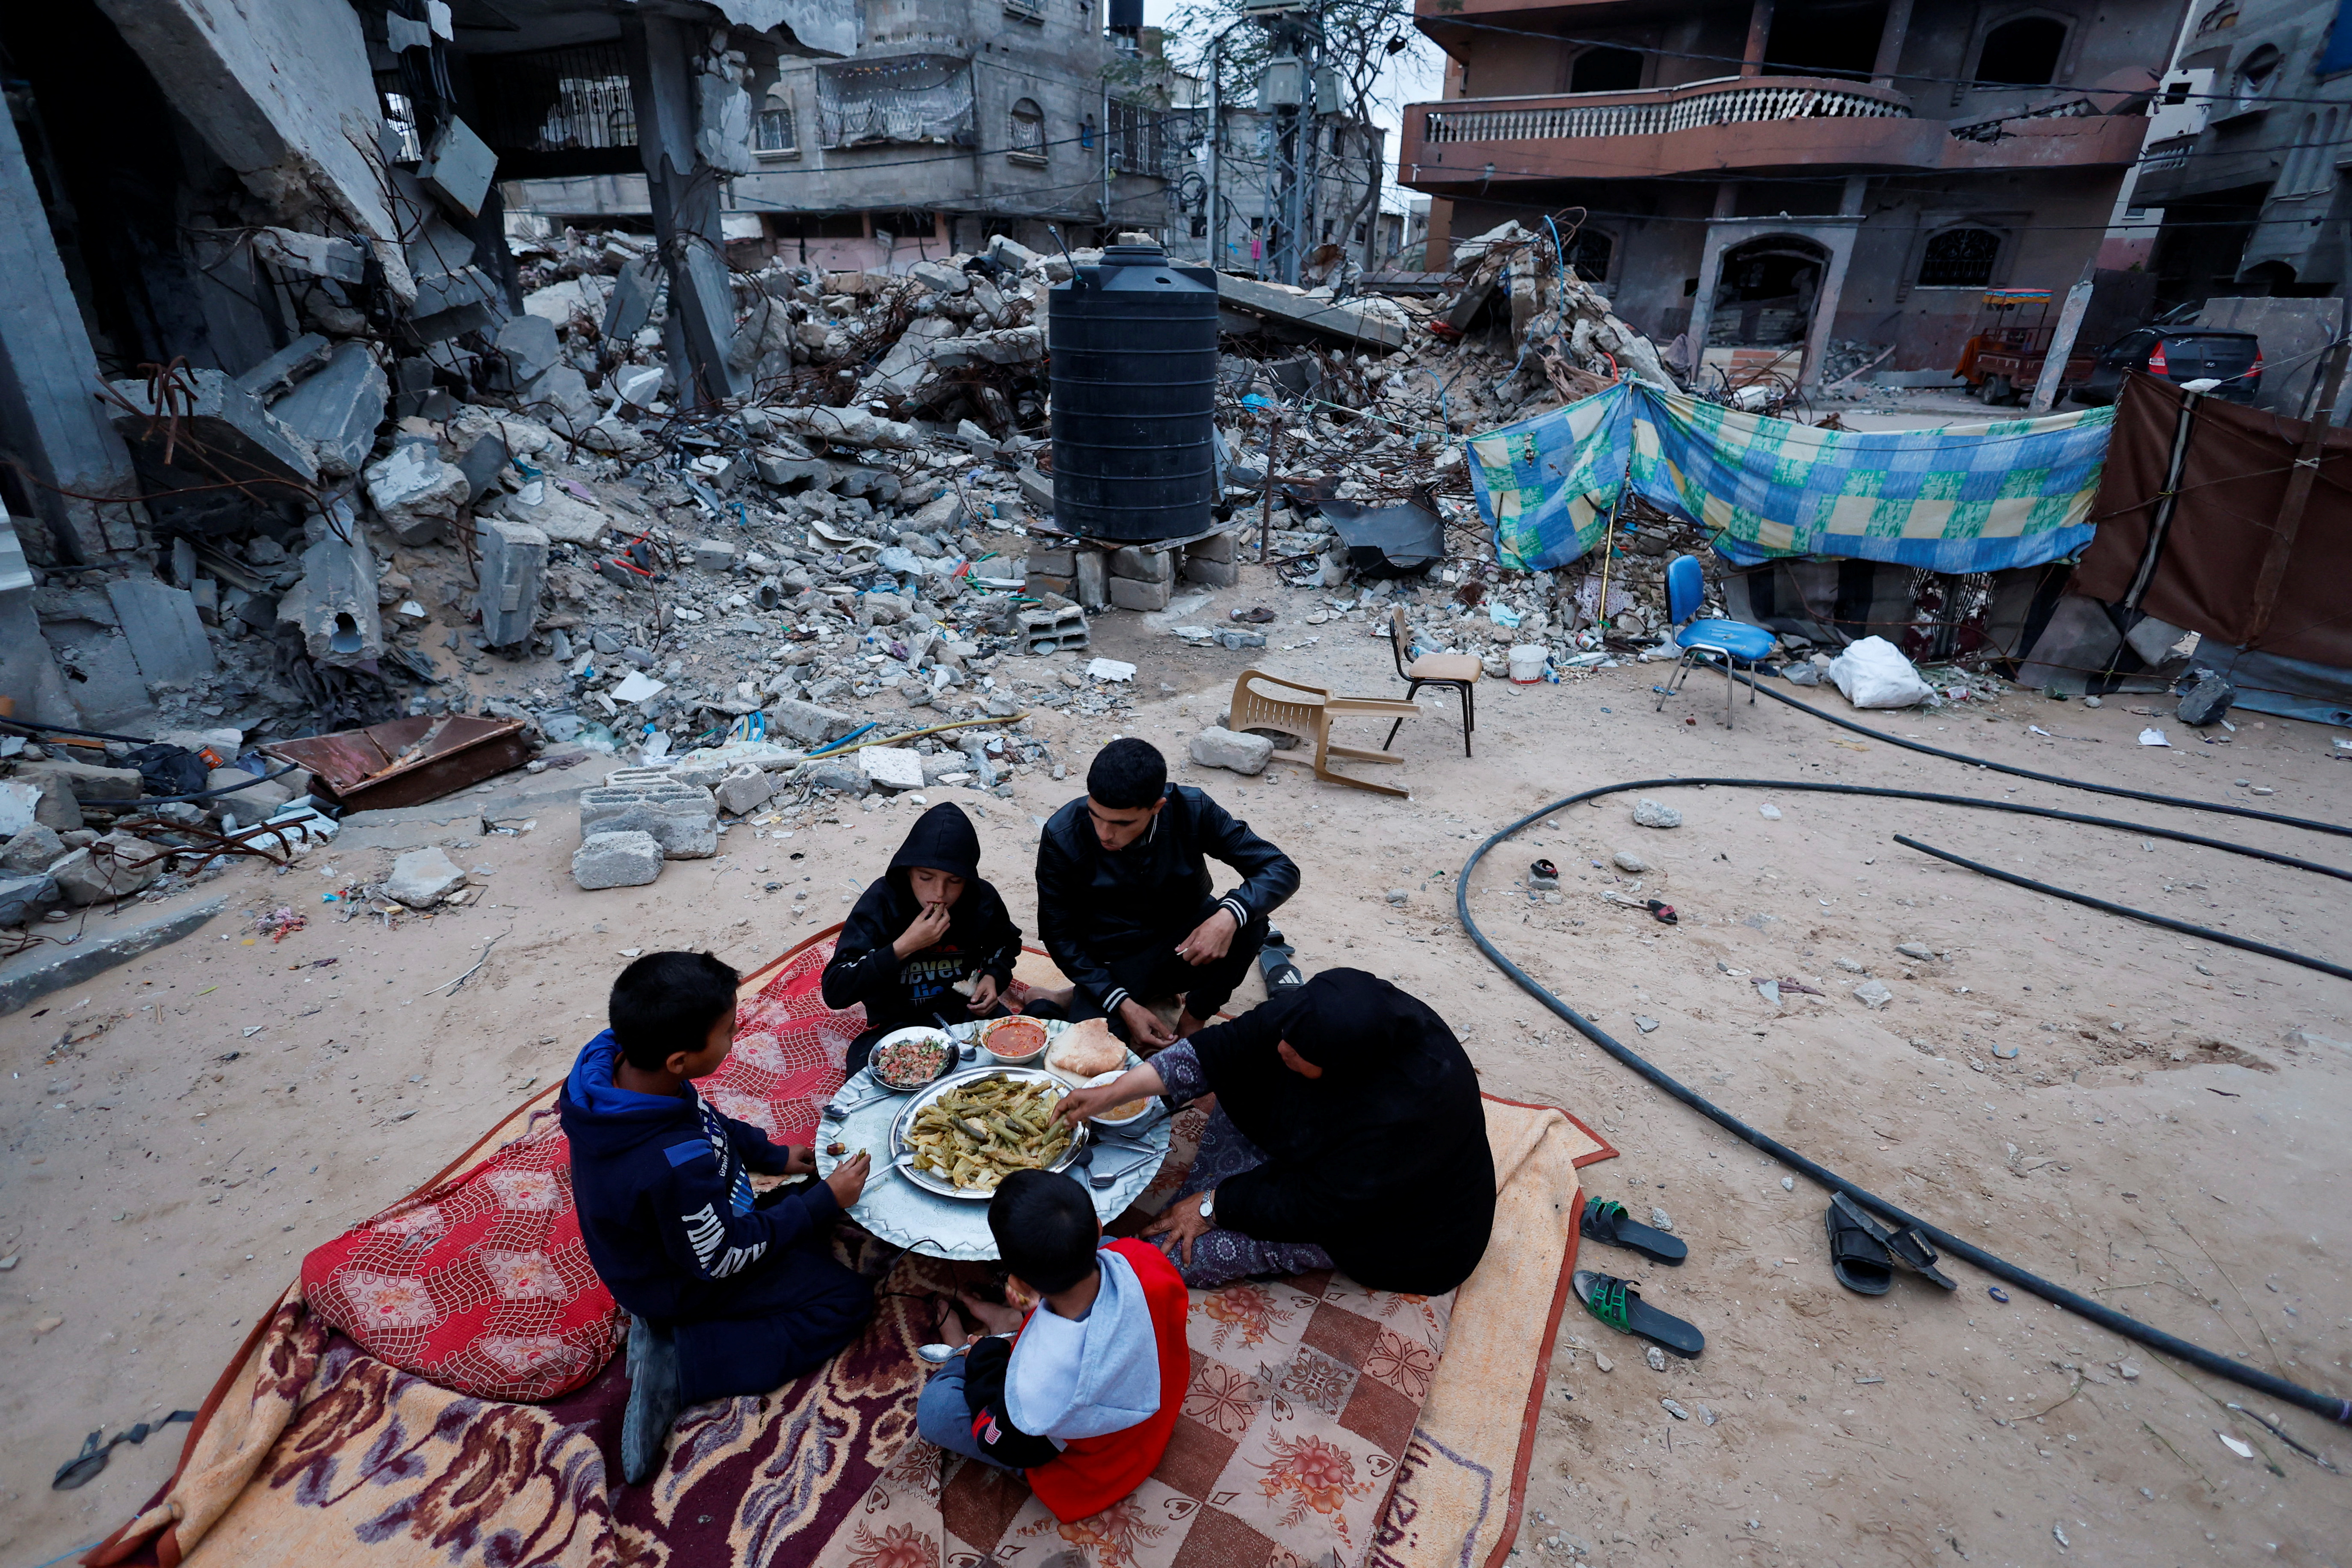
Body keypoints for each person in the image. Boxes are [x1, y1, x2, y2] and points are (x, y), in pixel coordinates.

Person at [561, 951, 875, 1485]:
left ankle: (681, 1330)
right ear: (680, 1060)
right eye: (729, 1031)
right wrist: (822, 1201)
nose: (736, 1036)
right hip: (682, 1277)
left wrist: (771, 1156)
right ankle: (685, 1361)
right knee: (846, 1299)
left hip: (692, 1230)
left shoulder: (620, 1068)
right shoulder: (668, 1164)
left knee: (805, 1219)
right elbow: (723, 1256)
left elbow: (704, 1118)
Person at [1056, 968, 1495, 1293]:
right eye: (1287, 1035)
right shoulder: (1319, 1017)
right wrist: (1111, 1093)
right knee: (1243, 1070)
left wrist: (1214, 1205)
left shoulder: (1410, 1113)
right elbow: (1226, 1049)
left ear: (1342, 1066)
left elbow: (1316, 1204)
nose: (1282, 1046)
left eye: (1298, 1051)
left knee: (1183, 1257)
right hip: (1338, 1150)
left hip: (1392, 1223)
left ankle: (1100, 1268)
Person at [915, 1169, 1190, 1520]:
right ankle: (1016, 1323)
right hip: (1150, 1404)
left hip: (1090, 1460)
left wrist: (983, 1359)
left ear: (1018, 1282)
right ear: (1098, 1225)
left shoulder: (1043, 1384)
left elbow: (1011, 1440)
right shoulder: (1143, 1258)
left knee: (936, 1410)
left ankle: (965, 1350)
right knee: (1109, 1251)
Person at [1034, 738, 1299, 1049]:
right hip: (1113, 959)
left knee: (1249, 919)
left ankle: (1191, 1020)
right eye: (1096, 816)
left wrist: (1228, 915)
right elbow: (1058, 935)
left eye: (1122, 823)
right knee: (1091, 1051)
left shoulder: (1192, 808)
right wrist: (1123, 1003)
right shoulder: (1061, 833)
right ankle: (1101, 996)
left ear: (1157, 806)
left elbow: (1279, 867)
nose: (1104, 833)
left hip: (1182, 944)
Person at [823, 802, 1029, 1073]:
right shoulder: (883, 902)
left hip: (967, 1016)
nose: (939, 893)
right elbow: (835, 990)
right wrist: (904, 947)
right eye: (925, 877)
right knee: (867, 1077)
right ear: (908, 871)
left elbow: (1006, 944)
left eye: (954, 881)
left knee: (1024, 1052)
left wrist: (993, 977)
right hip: (899, 1025)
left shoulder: (981, 899)